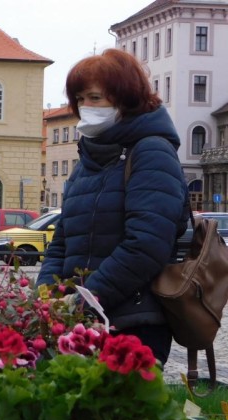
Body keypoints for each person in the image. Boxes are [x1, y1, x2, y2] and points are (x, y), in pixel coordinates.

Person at [36, 49, 189, 365]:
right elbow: (62, 242)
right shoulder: (88, 160)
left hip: (134, 323)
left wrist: (87, 300)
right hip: (81, 322)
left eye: (95, 98)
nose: (85, 108)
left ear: (125, 99)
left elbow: (146, 245)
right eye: (80, 99)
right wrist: (47, 296)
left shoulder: (151, 152)